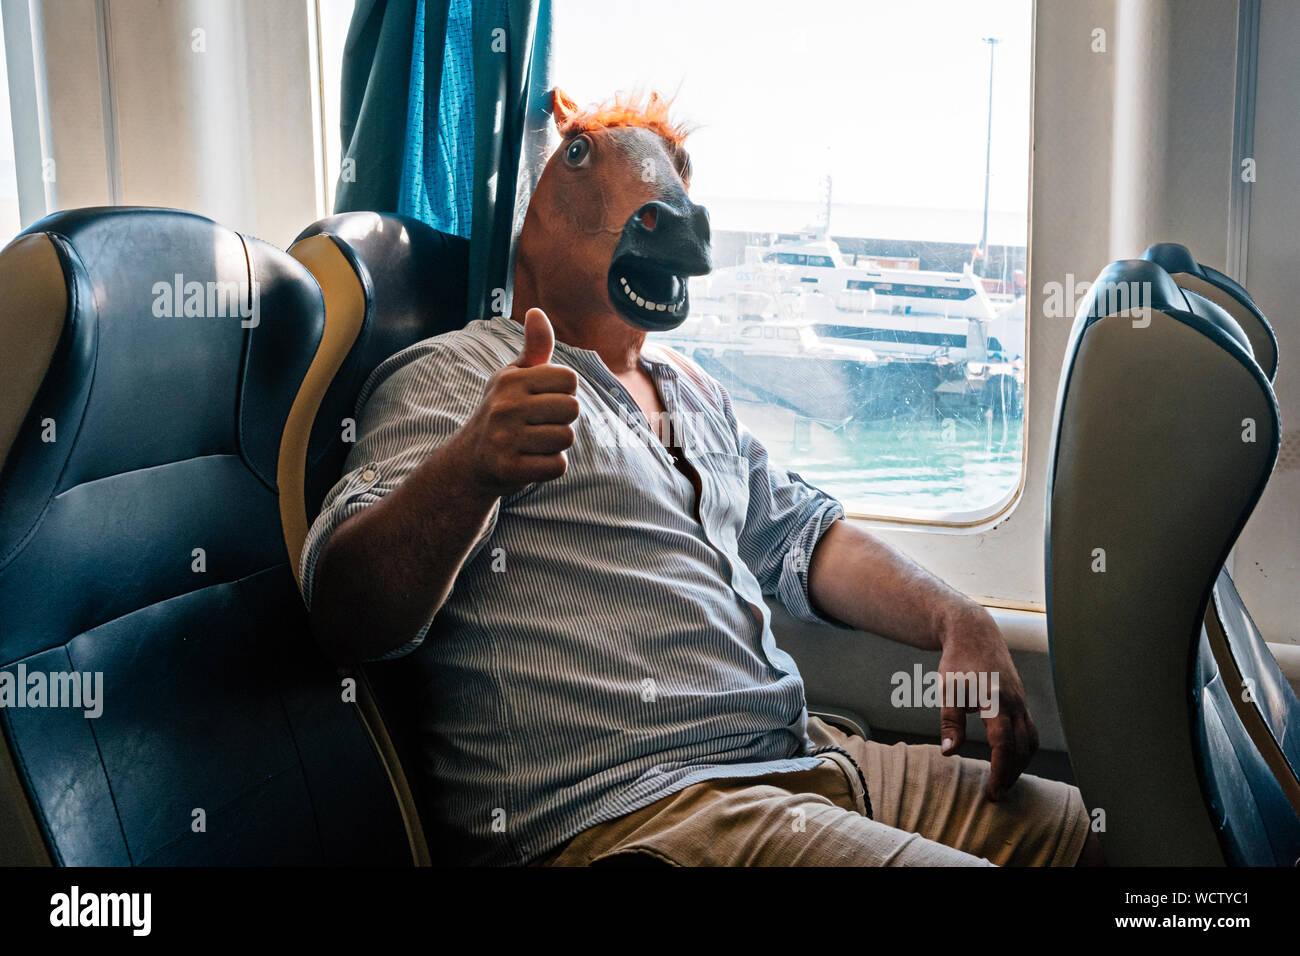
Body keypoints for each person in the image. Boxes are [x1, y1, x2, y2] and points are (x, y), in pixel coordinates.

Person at [302, 90, 1100, 867]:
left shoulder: (693, 388)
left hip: (803, 763)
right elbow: (347, 615)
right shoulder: (461, 373)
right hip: (631, 816)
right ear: (534, 219)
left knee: (1105, 829)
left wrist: (955, 617)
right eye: (587, 162)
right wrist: (470, 469)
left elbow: (800, 539)